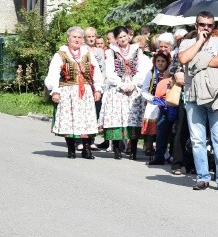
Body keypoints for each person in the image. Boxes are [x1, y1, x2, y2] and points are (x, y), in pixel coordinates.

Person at [177, 12, 218, 192]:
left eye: (210, 25)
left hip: (216, 95)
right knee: (197, 140)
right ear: (196, 25)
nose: (206, 28)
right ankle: (202, 177)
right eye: (203, 25)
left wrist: (198, 61)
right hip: (193, 96)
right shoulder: (187, 42)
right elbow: (184, 59)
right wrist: (199, 42)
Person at [44, 27, 103, 159]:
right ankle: (71, 149)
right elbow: (53, 74)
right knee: (69, 120)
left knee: (87, 120)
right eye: (74, 37)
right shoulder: (60, 54)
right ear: (68, 39)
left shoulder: (88, 53)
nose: (77, 39)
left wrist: (98, 89)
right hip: (67, 92)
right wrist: (55, 92)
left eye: (79, 37)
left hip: (86, 92)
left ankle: (87, 149)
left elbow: (97, 72)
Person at [100, 25, 152, 160]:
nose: (123, 39)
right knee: (117, 118)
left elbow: (142, 69)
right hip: (118, 88)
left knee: (133, 119)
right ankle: (117, 149)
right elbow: (110, 72)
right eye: (120, 37)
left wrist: (134, 84)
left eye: (124, 36)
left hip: (133, 87)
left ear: (128, 36)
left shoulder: (136, 51)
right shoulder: (111, 52)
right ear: (116, 40)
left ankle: (133, 149)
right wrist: (121, 85)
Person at [140, 50, 171, 162]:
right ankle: (154, 151)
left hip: (168, 104)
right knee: (156, 131)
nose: (160, 63)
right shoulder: (151, 73)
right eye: (158, 61)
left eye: (163, 61)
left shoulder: (170, 74)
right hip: (154, 105)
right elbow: (143, 91)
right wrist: (153, 99)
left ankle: (166, 153)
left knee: (166, 130)